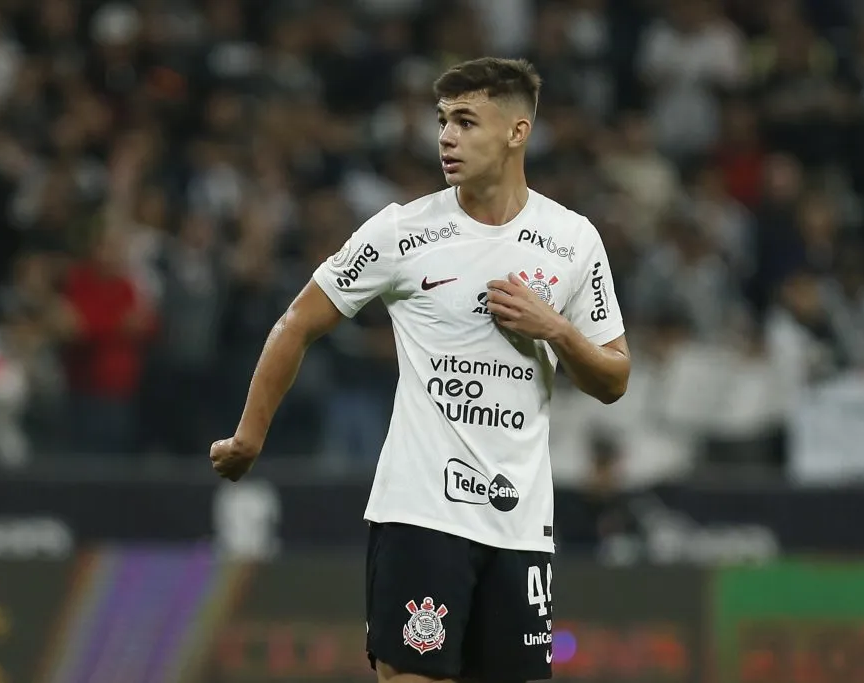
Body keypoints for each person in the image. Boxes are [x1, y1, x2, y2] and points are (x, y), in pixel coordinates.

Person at [210, 57, 630, 683]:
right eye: (442, 122)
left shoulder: (573, 241)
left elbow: (614, 378)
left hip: (519, 524)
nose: (446, 138)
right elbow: (297, 322)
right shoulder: (402, 232)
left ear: (517, 132)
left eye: (466, 121)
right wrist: (250, 435)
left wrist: (557, 330)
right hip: (422, 511)